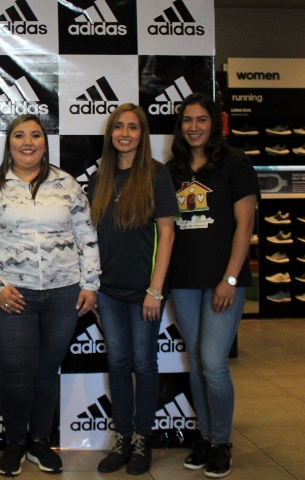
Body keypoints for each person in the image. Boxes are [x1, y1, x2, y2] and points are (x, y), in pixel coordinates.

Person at [0, 114, 101, 476]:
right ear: (9, 143)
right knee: (16, 372)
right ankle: (14, 443)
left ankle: (40, 441)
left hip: (62, 294)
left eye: (36, 135)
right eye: (20, 136)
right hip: (10, 295)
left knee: (46, 371)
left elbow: (87, 235)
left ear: (45, 142)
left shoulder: (67, 184)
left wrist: (90, 284)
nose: (28, 142)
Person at [166, 92, 259, 479]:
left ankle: (222, 443)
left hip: (224, 282)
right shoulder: (172, 170)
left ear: (215, 124)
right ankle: (205, 438)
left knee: (214, 363)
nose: (194, 127)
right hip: (184, 282)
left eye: (201, 120)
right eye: (188, 120)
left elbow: (245, 225)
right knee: (198, 364)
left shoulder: (235, 163)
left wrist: (230, 278)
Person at [88, 104, 178, 475]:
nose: (125, 133)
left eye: (133, 127)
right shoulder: (100, 177)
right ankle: (123, 437)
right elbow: (90, 237)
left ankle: (143, 438)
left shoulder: (156, 174)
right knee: (119, 364)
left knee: (144, 363)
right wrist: (92, 286)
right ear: (110, 133)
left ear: (142, 134)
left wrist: (155, 290)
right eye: (119, 127)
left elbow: (167, 233)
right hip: (107, 291)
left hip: (145, 292)